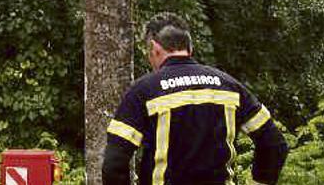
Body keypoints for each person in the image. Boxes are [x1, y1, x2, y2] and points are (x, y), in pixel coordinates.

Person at [101, 13, 289, 185]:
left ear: (155, 48)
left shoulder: (144, 91)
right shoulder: (229, 85)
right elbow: (274, 144)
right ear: (189, 48)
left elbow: (114, 163)